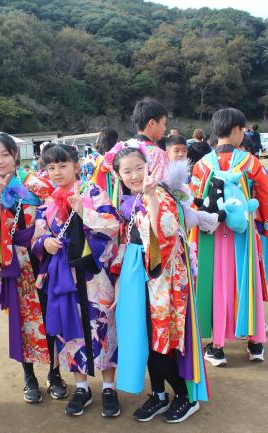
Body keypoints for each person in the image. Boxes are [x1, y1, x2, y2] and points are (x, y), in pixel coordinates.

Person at [108, 144, 208, 424]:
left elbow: (162, 235)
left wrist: (151, 196)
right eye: (127, 171)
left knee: (159, 343)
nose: (135, 175)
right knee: (149, 339)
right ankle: (159, 394)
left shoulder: (158, 195)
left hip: (164, 282)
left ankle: (186, 397)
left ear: (149, 167)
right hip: (147, 280)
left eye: (140, 168)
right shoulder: (139, 197)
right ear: (118, 175)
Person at [0, 133, 68, 404]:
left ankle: (55, 373)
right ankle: (29, 376)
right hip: (12, 262)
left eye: (5, 154)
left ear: (16, 155)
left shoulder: (38, 185)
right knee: (21, 320)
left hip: (43, 261)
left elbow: (56, 216)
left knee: (51, 317)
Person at [32, 143, 120, 417]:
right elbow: (37, 235)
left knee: (101, 327)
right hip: (63, 279)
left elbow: (113, 223)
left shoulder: (93, 192)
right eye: (51, 167)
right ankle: (81, 387)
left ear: (76, 166)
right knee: (72, 333)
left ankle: (108, 387)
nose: (57, 172)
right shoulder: (47, 200)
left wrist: (84, 211)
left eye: (63, 166)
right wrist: (45, 242)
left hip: (94, 276)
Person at [190, 108, 268, 367]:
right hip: (243, 234)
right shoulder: (250, 163)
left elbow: (194, 202)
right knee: (246, 282)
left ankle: (217, 347)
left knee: (216, 285)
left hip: (212, 235)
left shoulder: (202, 165)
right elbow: (265, 197)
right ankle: (255, 342)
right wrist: (266, 226)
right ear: (236, 129)